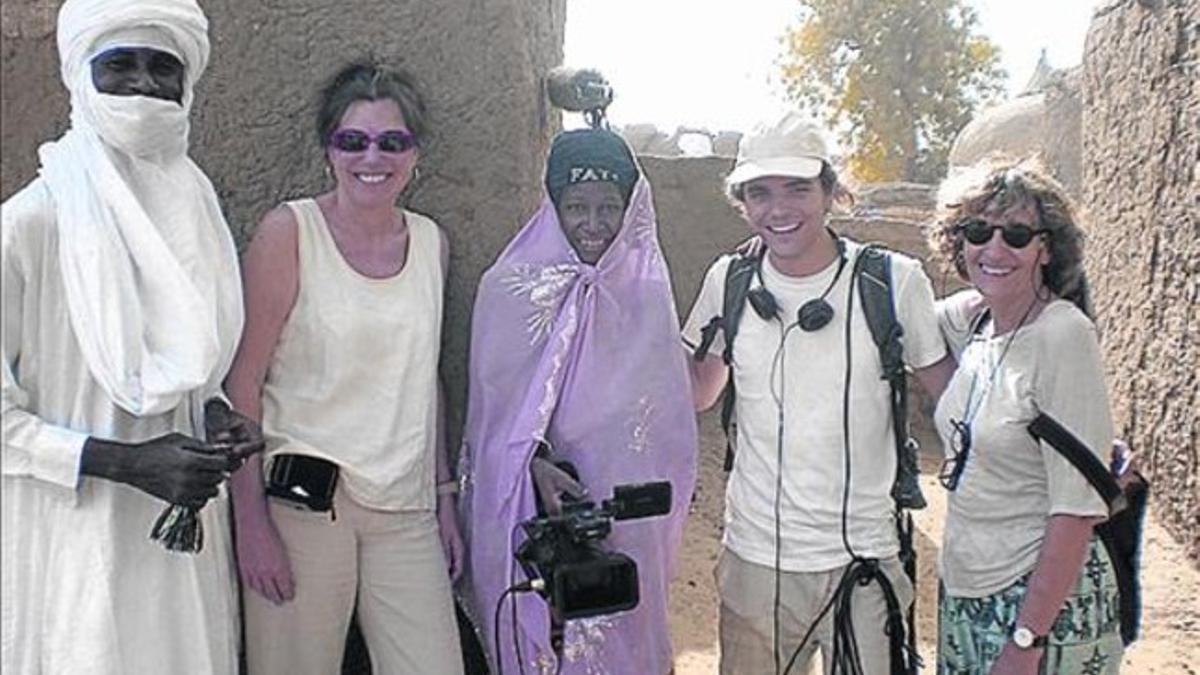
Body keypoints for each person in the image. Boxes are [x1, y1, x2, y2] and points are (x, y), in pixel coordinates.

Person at [1, 0, 258, 672]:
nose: (145, 84)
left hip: (182, 554)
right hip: (77, 541)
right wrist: (128, 461)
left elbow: (190, 369)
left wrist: (219, 415)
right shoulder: (27, 226)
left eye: (162, 67)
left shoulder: (195, 208)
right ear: (82, 79)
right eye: (120, 66)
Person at [683, 112, 955, 674]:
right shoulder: (727, 281)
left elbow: (953, 401)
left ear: (832, 191)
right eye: (759, 192)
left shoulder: (892, 282)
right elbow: (698, 394)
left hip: (865, 561)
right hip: (756, 563)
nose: (778, 209)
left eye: (797, 188)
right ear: (741, 202)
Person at [225, 62, 464, 674]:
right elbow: (243, 383)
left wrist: (443, 499)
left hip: (404, 512)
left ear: (416, 153)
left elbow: (425, 376)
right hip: (304, 506)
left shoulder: (432, 242)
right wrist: (250, 521)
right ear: (329, 148)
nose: (372, 157)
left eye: (393, 141)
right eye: (352, 141)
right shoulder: (290, 233)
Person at [461, 126, 698, 674]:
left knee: (622, 630)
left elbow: (666, 429)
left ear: (631, 209)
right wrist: (535, 468)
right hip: (538, 518)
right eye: (576, 207)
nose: (593, 224)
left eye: (608, 207)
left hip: (627, 518)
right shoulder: (510, 290)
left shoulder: (646, 296)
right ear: (552, 206)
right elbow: (492, 425)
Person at [928, 158, 1123, 674]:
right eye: (977, 231)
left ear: (1046, 248)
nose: (994, 249)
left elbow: (1076, 509)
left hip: (1039, 605)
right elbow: (902, 312)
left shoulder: (1063, 336)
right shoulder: (979, 326)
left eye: (1016, 235)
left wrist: (1026, 639)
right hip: (967, 590)